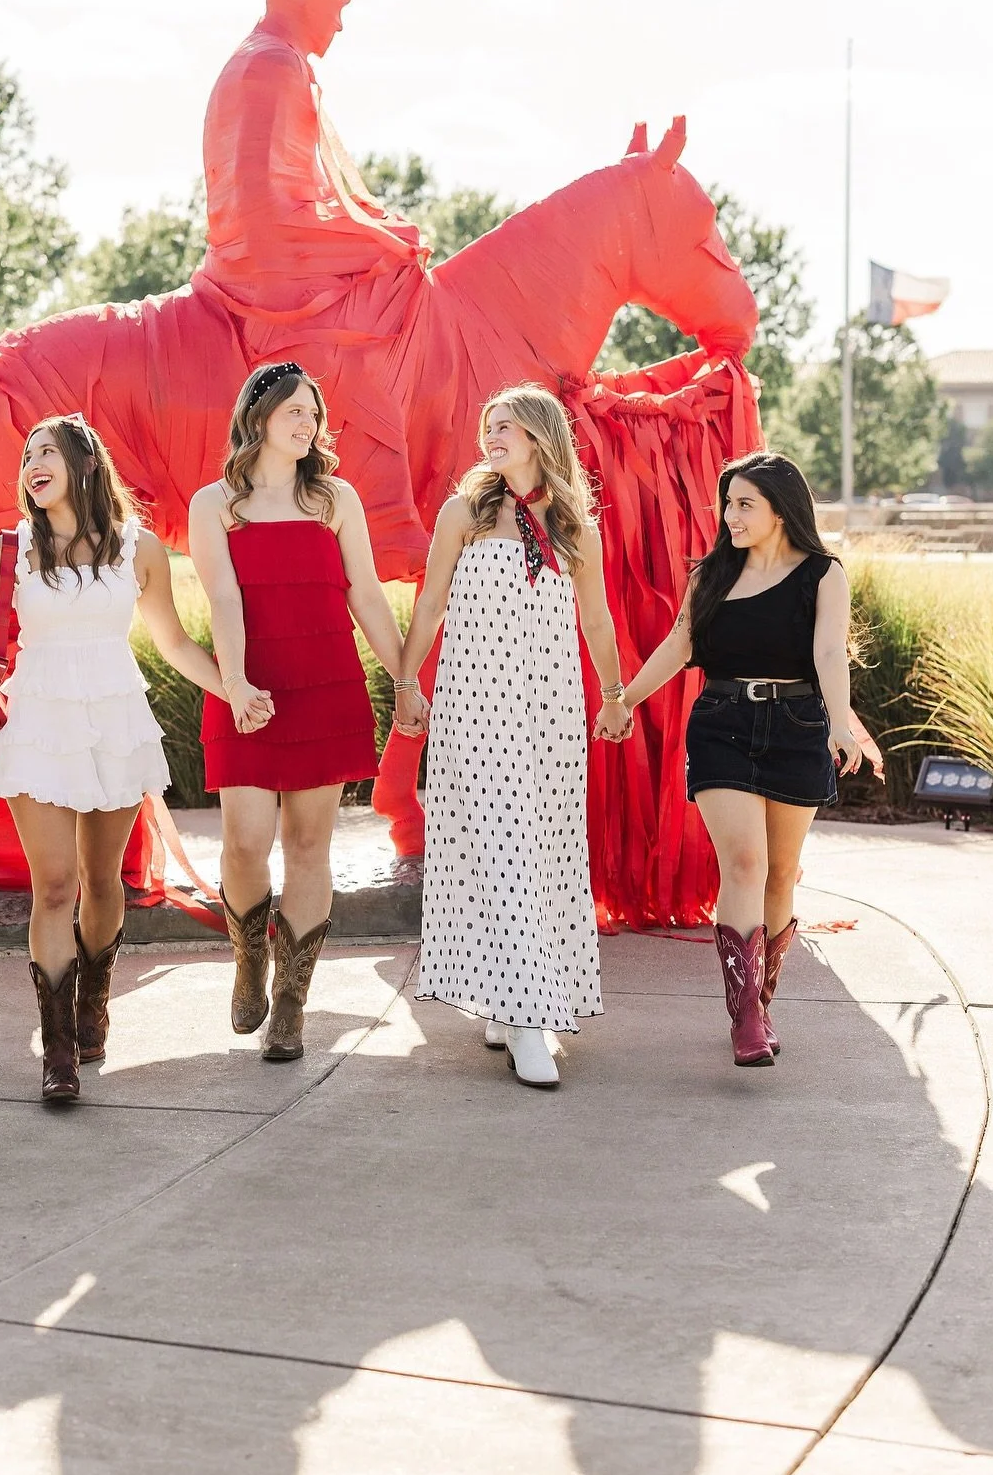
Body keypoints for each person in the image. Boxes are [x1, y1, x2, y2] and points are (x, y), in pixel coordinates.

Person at [0, 413, 255, 1104]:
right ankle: (57, 1055)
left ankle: (92, 1009)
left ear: (85, 464)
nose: (32, 464)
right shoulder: (10, 549)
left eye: (46, 452)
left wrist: (233, 687)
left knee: (104, 883)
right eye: (26, 456)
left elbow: (170, 639)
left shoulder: (138, 550)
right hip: (39, 726)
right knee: (54, 887)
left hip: (114, 722)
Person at [188, 362, 424, 1062]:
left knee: (309, 847)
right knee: (244, 843)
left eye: (313, 414)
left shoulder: (335, 498)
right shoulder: (215, 504)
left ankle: (291, 1001)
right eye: (294, 411)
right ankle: (248, 962)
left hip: (326, 686)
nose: (308, 424)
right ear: (257, 416)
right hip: (250, 690)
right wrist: (234, 684)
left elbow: (367, 597)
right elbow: (224, 601)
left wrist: (405, 679)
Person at [398, 384, 629, 1089]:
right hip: (476, 713)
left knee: (544, 850)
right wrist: (407, 684)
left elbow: (595, 622)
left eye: (506, 427)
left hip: (550, 715)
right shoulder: (464, 512)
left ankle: (510, 997)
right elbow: (430, 602)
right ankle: (530, 1022)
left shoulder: (573, 527)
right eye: (487, 425)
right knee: (499, 846)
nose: (491, 436)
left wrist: (614, 694)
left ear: (538, 436)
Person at [622, 450, 862, 1066]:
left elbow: (831, 655)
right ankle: (745, 1017)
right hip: (722, 724)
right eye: (728, 503)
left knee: (781, 874)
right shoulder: (711, 575)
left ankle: (764, 996)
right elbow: (680, 645)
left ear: (781, 510)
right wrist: (624, 699)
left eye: (744, 504)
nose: (730, 515)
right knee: (746, 863)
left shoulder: (823, 574)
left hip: (797, 723)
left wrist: (842, 722)